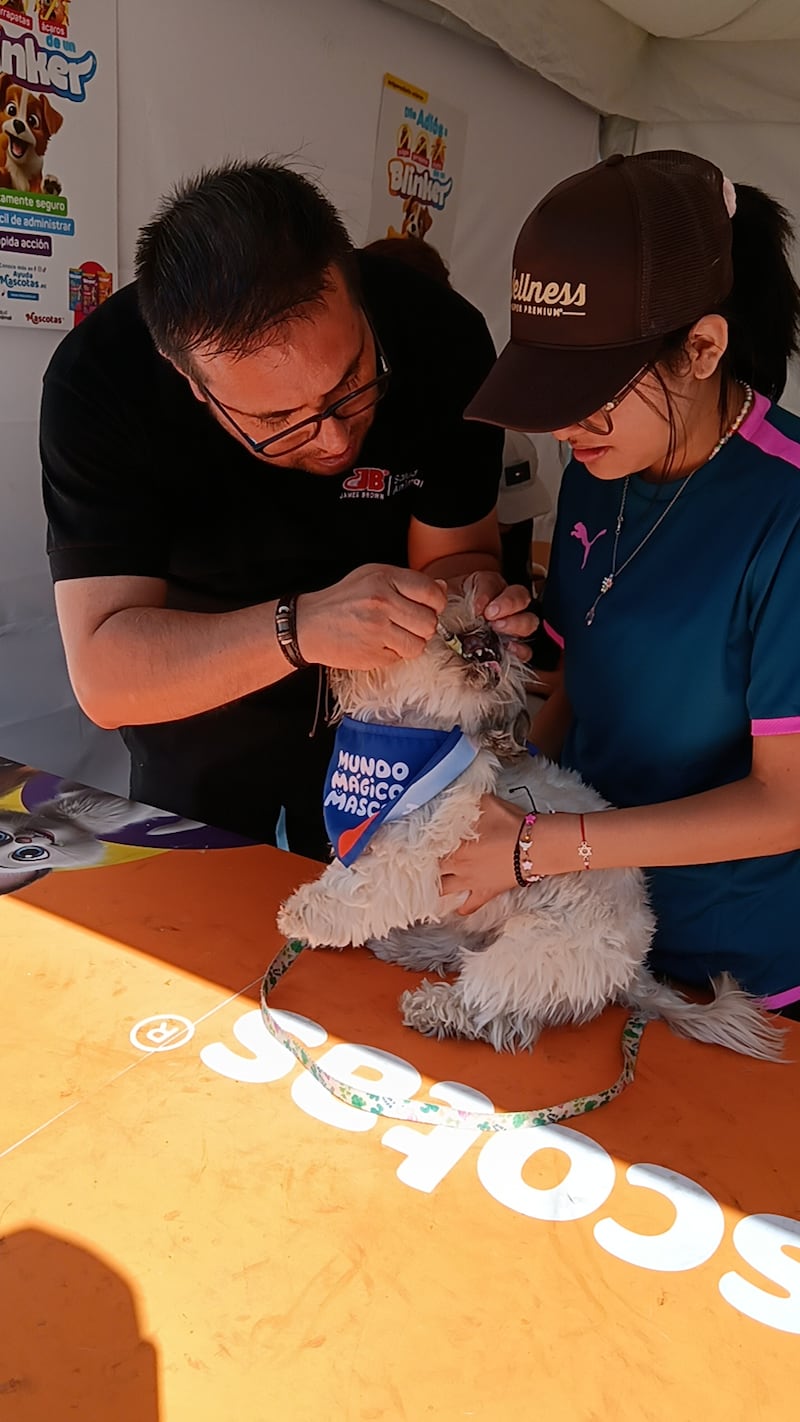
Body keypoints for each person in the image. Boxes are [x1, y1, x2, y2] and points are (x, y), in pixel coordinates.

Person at [40, 159, 534, 858]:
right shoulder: (102, 382)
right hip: (198, 704)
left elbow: (458, 553)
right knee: (199, 931)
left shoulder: (439, 336)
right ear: (192, 382)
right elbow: (108, 675)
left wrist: (472, 598)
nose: (334, 439)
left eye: (353, 382)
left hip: (389, 716)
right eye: (280, 419)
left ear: (356, 294)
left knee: (385, 934)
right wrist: (298, 628)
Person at [441, 150, 800, 1021]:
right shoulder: (601, 469)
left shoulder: (784, 512)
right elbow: (578, 685)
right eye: (551, 391)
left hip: (724, 967)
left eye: (593, 397)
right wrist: (511, 784)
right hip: (569, 926)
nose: (567, 429)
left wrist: (536, 847)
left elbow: (784, 801)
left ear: (703, 347)